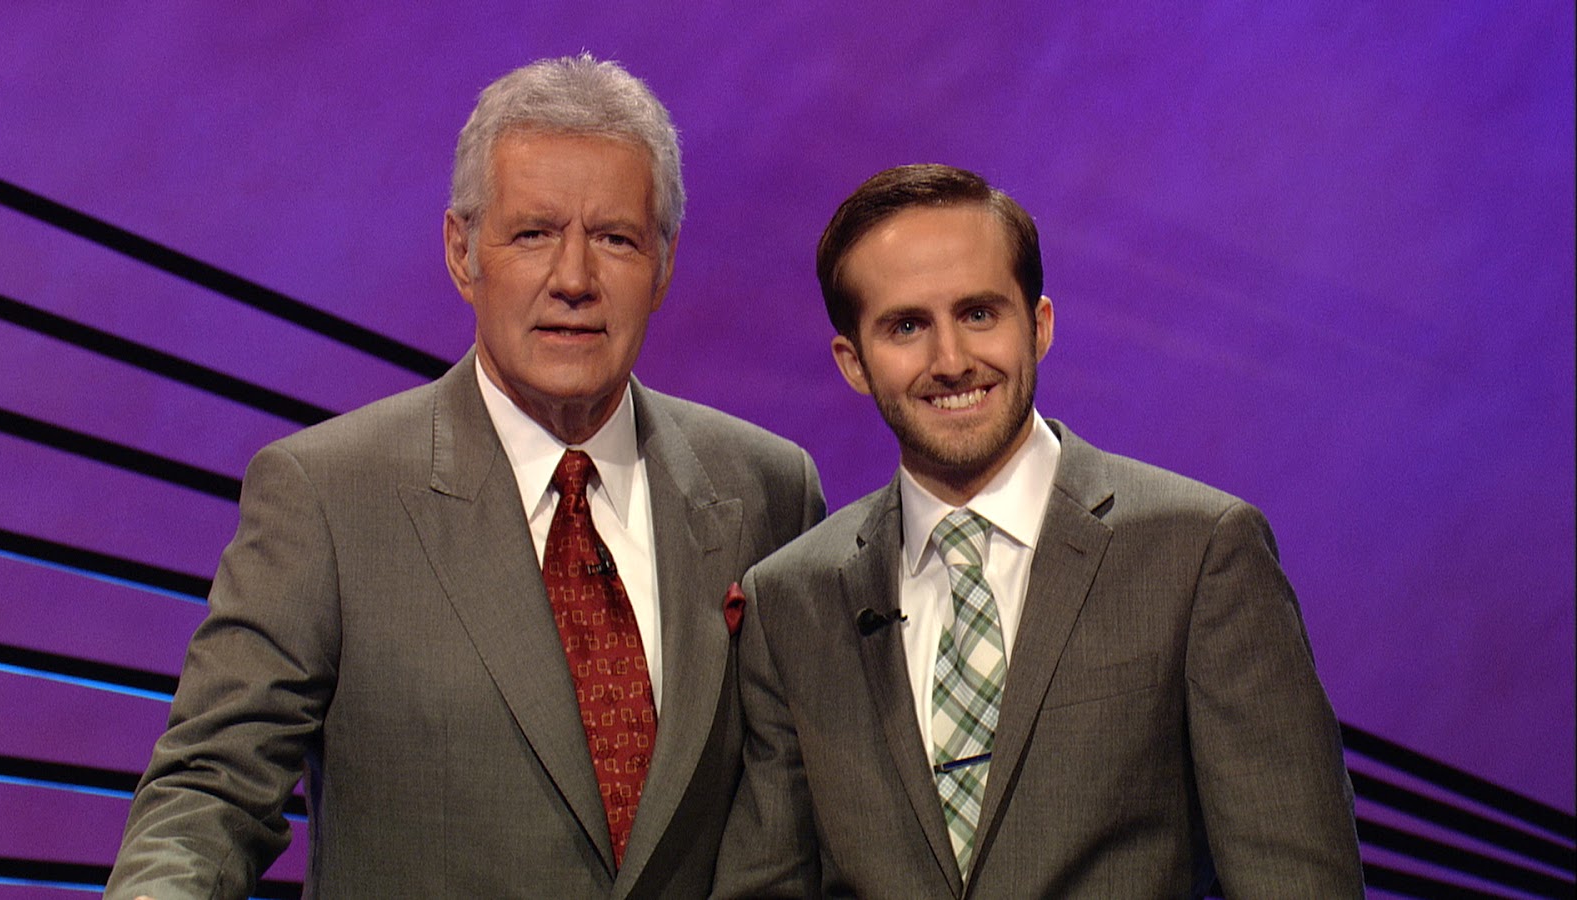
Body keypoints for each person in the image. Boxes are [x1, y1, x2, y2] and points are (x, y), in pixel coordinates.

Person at [106, 55, 825, 899]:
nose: (574, 280)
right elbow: (210, 793)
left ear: (664, 264)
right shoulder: (328, 496)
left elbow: (803, 812)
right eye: (533, 234)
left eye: (615, 239)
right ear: (461, 252)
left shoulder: (768, 490)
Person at [713, 164, 1362, 898]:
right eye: (907, 327)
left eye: (979, 314)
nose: (952, 361)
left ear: (1040, 325)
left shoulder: (1199, 552)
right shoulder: (792, 601)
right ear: (853, 362)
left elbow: (1296, 879)